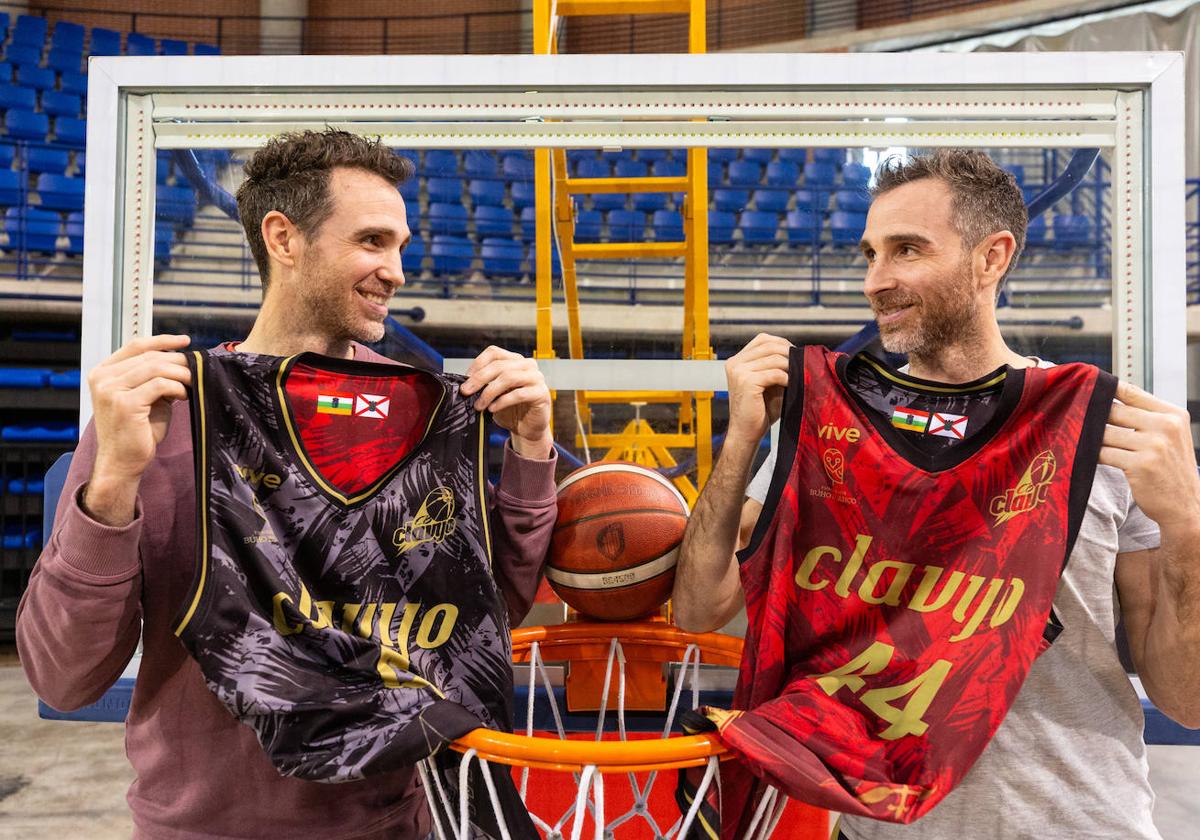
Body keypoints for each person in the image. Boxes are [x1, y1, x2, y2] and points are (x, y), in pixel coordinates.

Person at [17, 129, 558, 839]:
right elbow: (64, 678)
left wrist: (531, 446)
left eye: (401, 245)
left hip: (397, 825)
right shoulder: (170, 414)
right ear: (283, 238)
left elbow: (486, 619)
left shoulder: (417, 414)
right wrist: (114, 481)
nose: (396, 270)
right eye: (371, 241)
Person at [673, 149, 1200, 839]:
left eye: (907, 250)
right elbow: (698, 609)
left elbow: (1185, 700)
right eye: (868, 255)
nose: (876, 281)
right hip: (880, 825)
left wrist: (1189, 527)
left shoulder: (1105, 431)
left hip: (1076, 821)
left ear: (992, 258)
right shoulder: (829, 433)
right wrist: (742, 441)